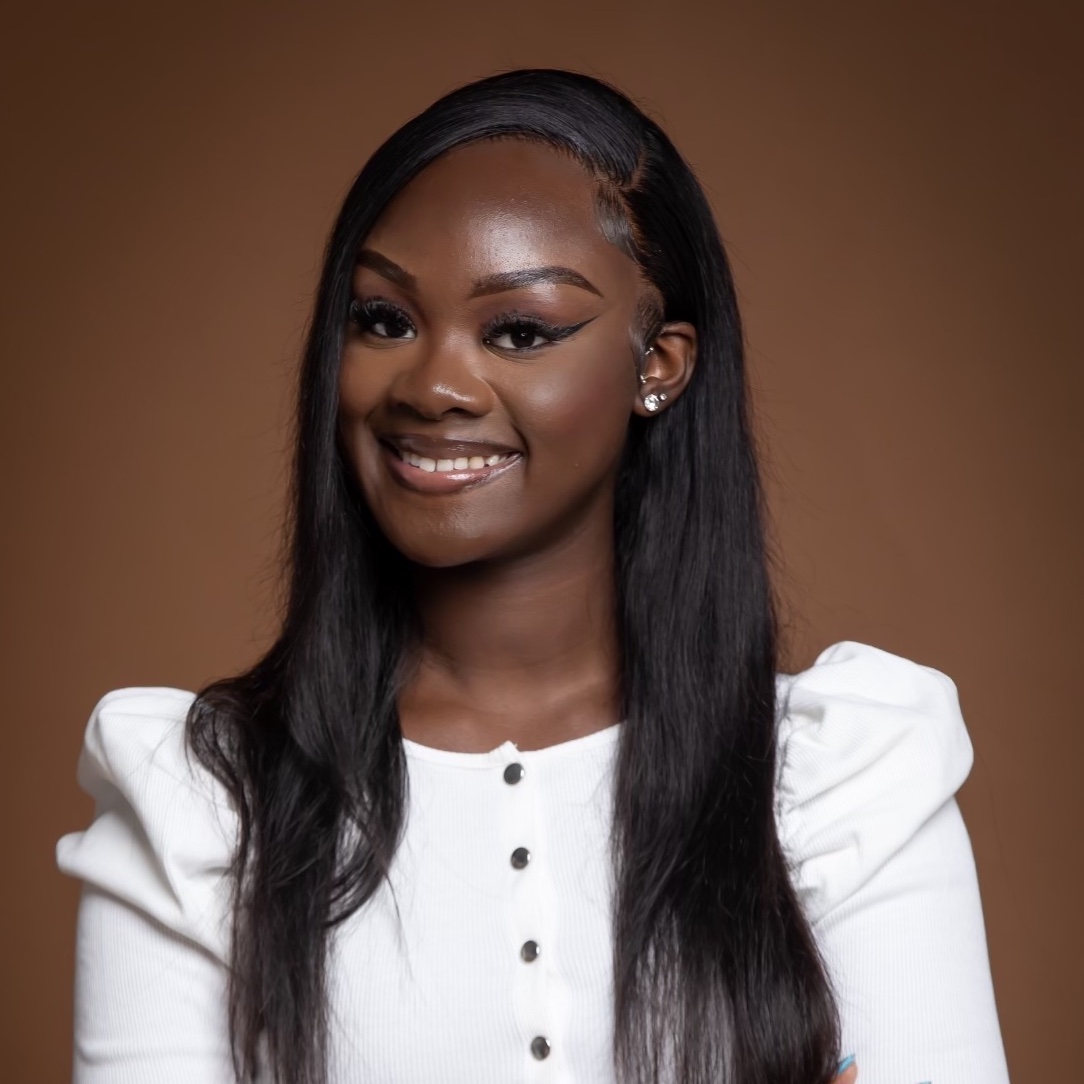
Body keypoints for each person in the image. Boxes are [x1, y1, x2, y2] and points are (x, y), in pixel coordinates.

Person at [56, 69, 1009, 1084]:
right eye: (382, 319)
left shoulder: (840, 786)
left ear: (660, 364)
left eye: (518, 331)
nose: (431, 384)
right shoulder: (200, 807)